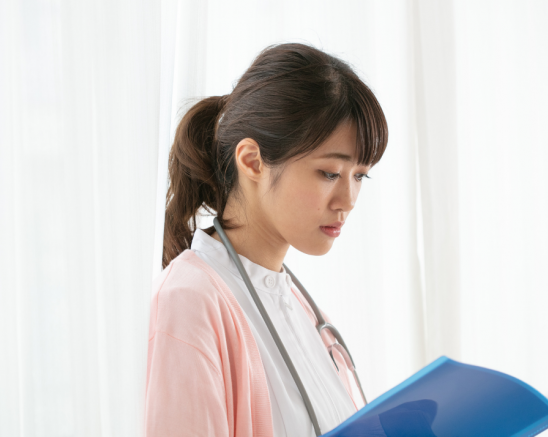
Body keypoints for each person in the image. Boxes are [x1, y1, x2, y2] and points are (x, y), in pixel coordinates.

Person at [145, 42, 388, 437]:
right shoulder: (189, 300)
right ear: (252, 162)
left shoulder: (301, 308)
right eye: (329, 173)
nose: (348, 201)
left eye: (359, 175)